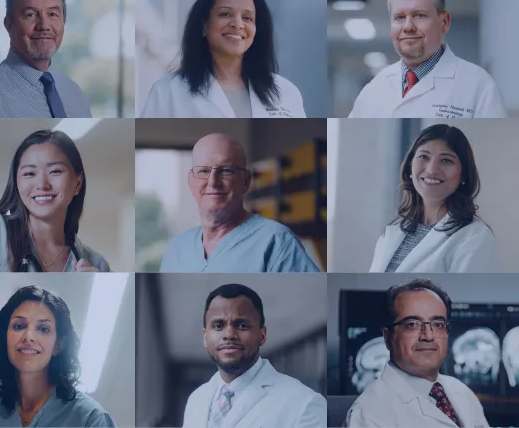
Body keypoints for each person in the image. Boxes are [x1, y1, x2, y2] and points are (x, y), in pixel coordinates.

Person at [141, 0, 306, 118]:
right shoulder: (167, 92)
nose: (238, 24)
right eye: (225, 14)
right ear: (204, 25)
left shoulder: (286, 92)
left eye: (247, 17)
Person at [0, 130, 109, 272]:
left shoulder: (97, 265)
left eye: (55, 171)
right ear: (16, 183)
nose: (42, 185)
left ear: (78, 182)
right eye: (29, 173)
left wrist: (101, 286)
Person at [348, 0, 506, 118]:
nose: (408, 26)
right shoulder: (373, 88)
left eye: (419, 15)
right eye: (400, 17)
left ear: (444, 22)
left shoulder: (479, 85)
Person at [160, 134, 319, 273]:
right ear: (190, 182)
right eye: (204, 171)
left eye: (226, 170)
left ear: (246, 181)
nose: (213, 181)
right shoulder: (177, 248)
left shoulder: (277, 242)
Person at [345, 278, 490, 427]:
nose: (428, 336)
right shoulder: (367, 415)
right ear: (388, 338)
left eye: (438, 324)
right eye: (412, 324)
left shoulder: (462, 392)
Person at [0, 286, 115, 427]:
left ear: (58, 345)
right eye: (19, 326)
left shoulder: (90, 419)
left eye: (43, 329)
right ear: (5, 338)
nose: (28, 336)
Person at [182, 284, 325, 428]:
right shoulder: (196, 399)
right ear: (205, 337)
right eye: (218, 326)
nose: (229, 334)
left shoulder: (304, 404)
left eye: (242, 325)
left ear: (262, 336)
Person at [369, 124, 498, 272]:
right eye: (424, 157)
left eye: (446, 160)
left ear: (463, 174)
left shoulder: (475, 237)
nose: (431, 170)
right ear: (410, 165)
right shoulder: (391, 233)